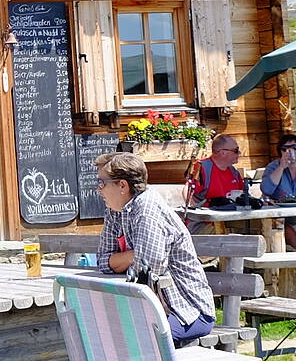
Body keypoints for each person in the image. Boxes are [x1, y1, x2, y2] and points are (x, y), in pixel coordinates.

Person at [95, 152, 217, 347]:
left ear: (122, 186)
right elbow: (102, 261)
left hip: (188, 312)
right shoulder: (116, 209)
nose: (98, 190)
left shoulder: (147, 210)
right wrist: (132, 256)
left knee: (123, 338)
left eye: (102, 183)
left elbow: (147, 273)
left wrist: (128, 260)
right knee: (102, 330)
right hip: (154, 307)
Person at [188, 133, 252, 208]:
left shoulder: (233, 171)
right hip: (210, 217)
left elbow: (244, 195)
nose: (239, 153)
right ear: (223, 152)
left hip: (231, 216)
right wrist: (196, 214)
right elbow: (187, 192)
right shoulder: (202, 168)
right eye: (236, 150)